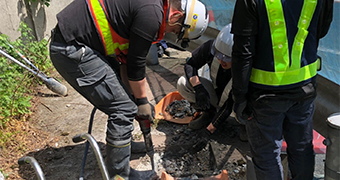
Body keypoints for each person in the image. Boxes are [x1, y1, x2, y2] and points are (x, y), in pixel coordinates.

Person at [49, 0, 209, 179]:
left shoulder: (151, 8)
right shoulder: (152, 14)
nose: (172, 33)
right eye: (176, 31)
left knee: (126, 100)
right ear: (176, 16)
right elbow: (136, 65)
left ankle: (124, 145)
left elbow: (126, 60)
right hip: (71, 49)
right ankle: (121, 174)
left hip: (79, 44)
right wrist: (140, 101)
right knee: (123, 108)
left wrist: (134, 96)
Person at [230, 0, 334, 179]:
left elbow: (243, 52)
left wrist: (239, 97)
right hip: (304, 89)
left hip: (264, 95)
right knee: (301, 150)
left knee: (267, 156)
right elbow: (321, 29)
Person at [176, 24, 246, 146]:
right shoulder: (211, 47)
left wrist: (209, 131)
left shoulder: (244, 67)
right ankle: (209, 113)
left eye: (227, 58)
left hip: (237, 101)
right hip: (217, 93)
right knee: (183, 83)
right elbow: (190, 65)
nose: (222, 61)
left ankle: (246, 125)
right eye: (219, 56)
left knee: (241, 109)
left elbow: (229, 104)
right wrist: (198, 88)